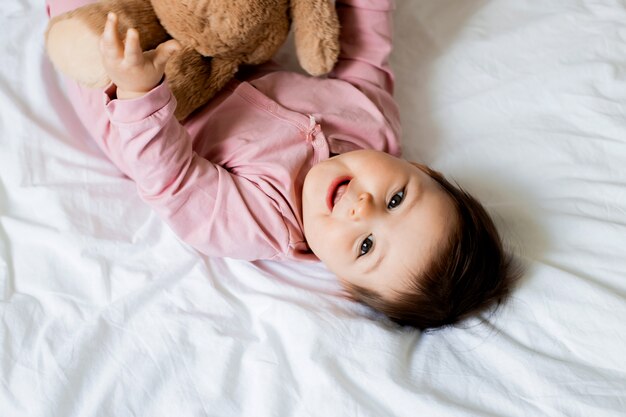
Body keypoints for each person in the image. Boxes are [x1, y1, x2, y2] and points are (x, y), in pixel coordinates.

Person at [45, 0, 519, 330]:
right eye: (396, 199)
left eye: (366, 245)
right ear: (422, 169)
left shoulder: (257, 224)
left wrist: (138, 91)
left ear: (343, 281)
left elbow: (170, 176)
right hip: (221, 49)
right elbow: (362, 49)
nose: (361, 207)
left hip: (139, 95)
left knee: (93, 27)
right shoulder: (373, 125)